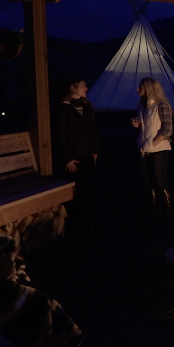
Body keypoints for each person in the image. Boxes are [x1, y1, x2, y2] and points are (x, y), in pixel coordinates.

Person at [53, 78, 100, 233]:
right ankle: (76, 221)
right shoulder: (63, 109)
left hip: (87, 155)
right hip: (74, 158)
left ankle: (86, 221)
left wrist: (95, 150)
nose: (86, 89)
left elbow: (92, 131)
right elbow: (60, 135)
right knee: (75, 191)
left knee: (88, 189)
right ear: (73, 88)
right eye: (82, 86)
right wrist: (66, 158)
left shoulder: (86, 108)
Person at [131, 77, 173, 224]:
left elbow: (167, 129)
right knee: (148, 185)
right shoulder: (143, 106)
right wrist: (139, 126)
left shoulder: (162, 106)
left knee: (160, 183)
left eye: (141, 87)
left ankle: (167, 217)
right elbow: (148, 128)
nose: (138, 90)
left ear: (148, 89)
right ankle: (152, 217)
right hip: (144, 149)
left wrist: (153, 143)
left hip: (158, 150)